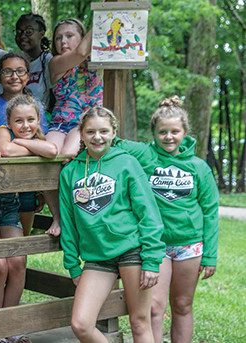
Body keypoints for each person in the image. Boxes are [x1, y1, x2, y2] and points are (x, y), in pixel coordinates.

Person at [115, 97, 219, 343]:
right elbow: (111, 140)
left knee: (182, 305)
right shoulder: (145, 154)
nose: (168, 137)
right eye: (162, 132)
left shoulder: (199, 167)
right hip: (155, 245)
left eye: (175, 131)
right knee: (154, 307)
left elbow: (210, 212)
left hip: (190, 245)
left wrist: (210, 255)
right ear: (154, 133)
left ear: (185, 132)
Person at [60, 107, 165, 343]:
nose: (98, 137)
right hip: (97, 256)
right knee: (81, 324)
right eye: (91, 132)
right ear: (82, 134)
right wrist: (73, 264)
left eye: (104, 131)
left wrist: (151, 259)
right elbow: (67, 221)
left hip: (132, 250)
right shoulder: (70, 171)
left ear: (114, 133)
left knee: (139, 322)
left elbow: (148, 213)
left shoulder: (127, 163)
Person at [0, 95, 57, 343]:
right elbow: (5, 149)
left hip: (10, 208)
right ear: (8, 121)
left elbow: (51, 150)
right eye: (19, 121)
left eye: (31, 120)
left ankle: (10, 326)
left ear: (39, 120)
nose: (25, 125)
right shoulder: (2, 131)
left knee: (17, 263)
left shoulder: (35, 137)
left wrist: (23, 143)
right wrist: (27, 145)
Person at [0, 53, 57, 237]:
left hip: (28, 185)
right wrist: (32, 147)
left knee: (22, 240)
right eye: (7, 71)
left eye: (19, 71)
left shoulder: (37, 106)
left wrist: (19, 142)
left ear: (27, 76)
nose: (14, 76)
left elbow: (43, 143)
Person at [46, 18, 102, 156]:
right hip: (59, 124)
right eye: (58, 38)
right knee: (50, 153)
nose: (63, 41)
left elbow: (85, 53)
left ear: (82, 39)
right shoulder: (55, 63)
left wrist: (106, 15)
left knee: (68, 154)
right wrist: (102, 18)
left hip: (87, 124)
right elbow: (80, 53)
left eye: (69, 36)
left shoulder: (98, 61)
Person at [15, 13, 54, 109]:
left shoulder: (47, 60)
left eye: (29, 31)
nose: (22, 36)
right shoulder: (15, 63)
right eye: (19, 31)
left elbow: (54, 97)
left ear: (41, 34)